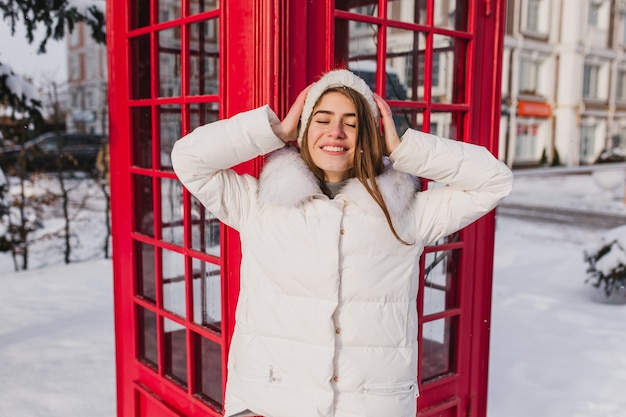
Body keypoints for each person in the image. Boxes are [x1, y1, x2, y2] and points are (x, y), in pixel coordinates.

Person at [171, 69, 513, 417]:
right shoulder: (257, 203)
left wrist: (403, 147)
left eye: (351, 122)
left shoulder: (409, 213)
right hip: (269, 403)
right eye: (322, 119)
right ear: (304, 130)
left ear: (367, 134)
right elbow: (188, 158)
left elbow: (494, 181)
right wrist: (276, 131)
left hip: (371, 406)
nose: (336, 131)